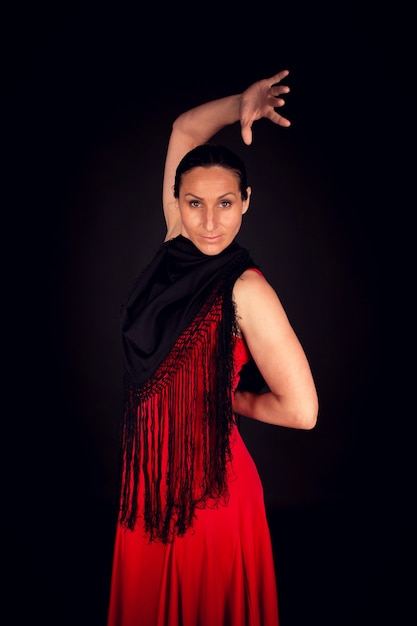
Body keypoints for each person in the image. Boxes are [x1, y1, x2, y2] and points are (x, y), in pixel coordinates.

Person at [107, 69, 318, 626]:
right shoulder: (176, 246)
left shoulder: (247, 289)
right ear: (176, 203)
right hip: (147, 486)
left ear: (246, 201)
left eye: (225, 203)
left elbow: (302, 410)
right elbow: (184, 129)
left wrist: (230, 401)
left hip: (210, 495)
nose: (208, 221)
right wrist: (240, 103)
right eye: (194, 203)